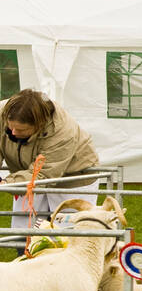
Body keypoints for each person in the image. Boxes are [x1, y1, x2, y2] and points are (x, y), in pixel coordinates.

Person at [1, 89, 102, 236]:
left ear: (39, 125)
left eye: (21, 129)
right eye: (11, 127)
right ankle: (23, 254)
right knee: (24, 229)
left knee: (66, 233)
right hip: (26, 173)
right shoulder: (3, 113)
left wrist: (7, 183)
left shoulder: (63, 132)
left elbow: (44, 174)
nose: (14, 132)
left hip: (72, 176)